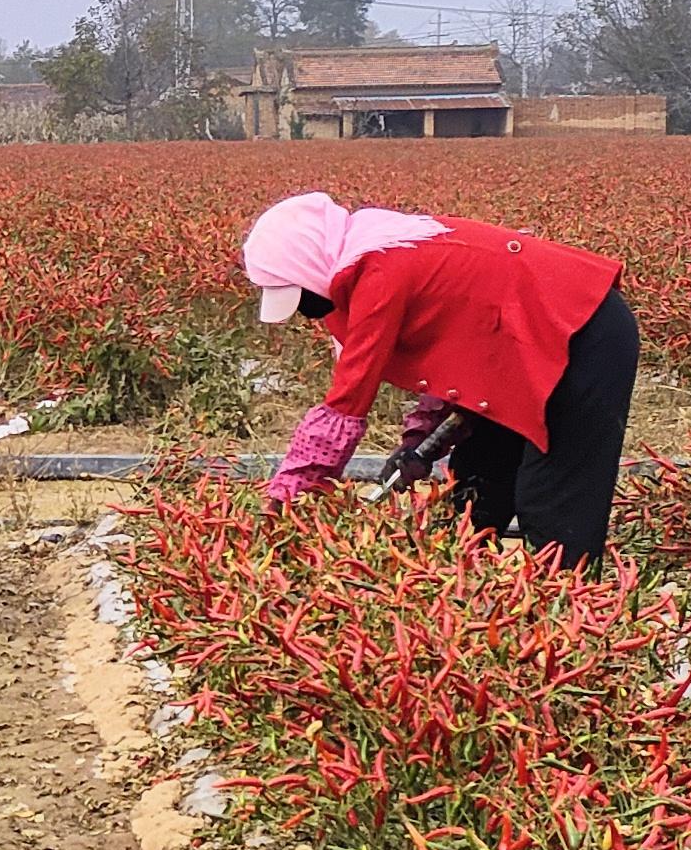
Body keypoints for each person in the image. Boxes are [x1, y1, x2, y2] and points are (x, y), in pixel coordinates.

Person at [242, 192, 636, 571]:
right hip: (516, 347)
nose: (307, 312)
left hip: (578, 331)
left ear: (311, 265)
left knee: (552, 507)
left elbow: (348, 398)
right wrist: (420, 445)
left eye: (302, 297)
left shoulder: (382, 270)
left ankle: (566, 623)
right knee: (470, 499)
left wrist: (291, 494)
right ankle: (477, 619)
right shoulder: (374, 258)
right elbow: (453, 358)